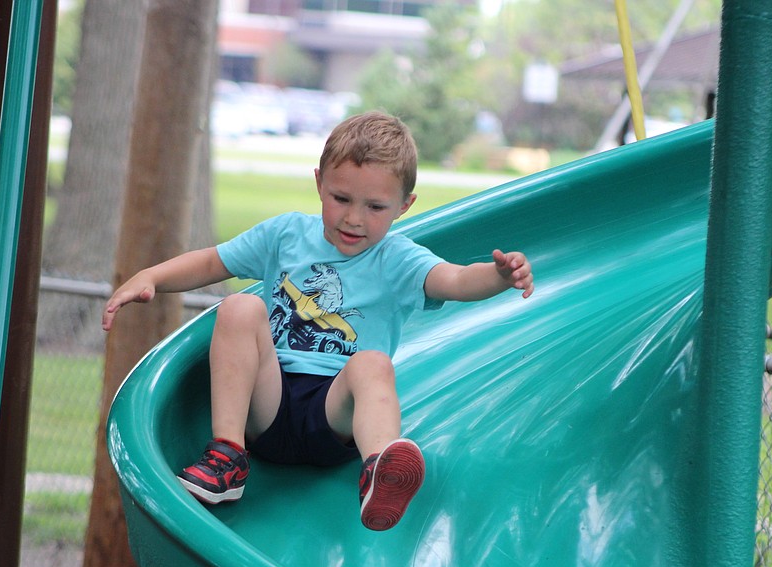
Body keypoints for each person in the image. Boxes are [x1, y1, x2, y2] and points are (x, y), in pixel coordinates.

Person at [102, 111, 534, 531]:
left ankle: (380, 469)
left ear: (405, 206)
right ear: (319, 184)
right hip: (266, 405)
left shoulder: (397, 258)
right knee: (238, 307)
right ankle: (228, 457)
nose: (354, 218)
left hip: (335, 418)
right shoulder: (286, 235)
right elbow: (215, 261)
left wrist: (498, 277)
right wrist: (152, 276)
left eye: (376, 206)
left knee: (373, 364)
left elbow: (455, 280)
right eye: (341, 198)